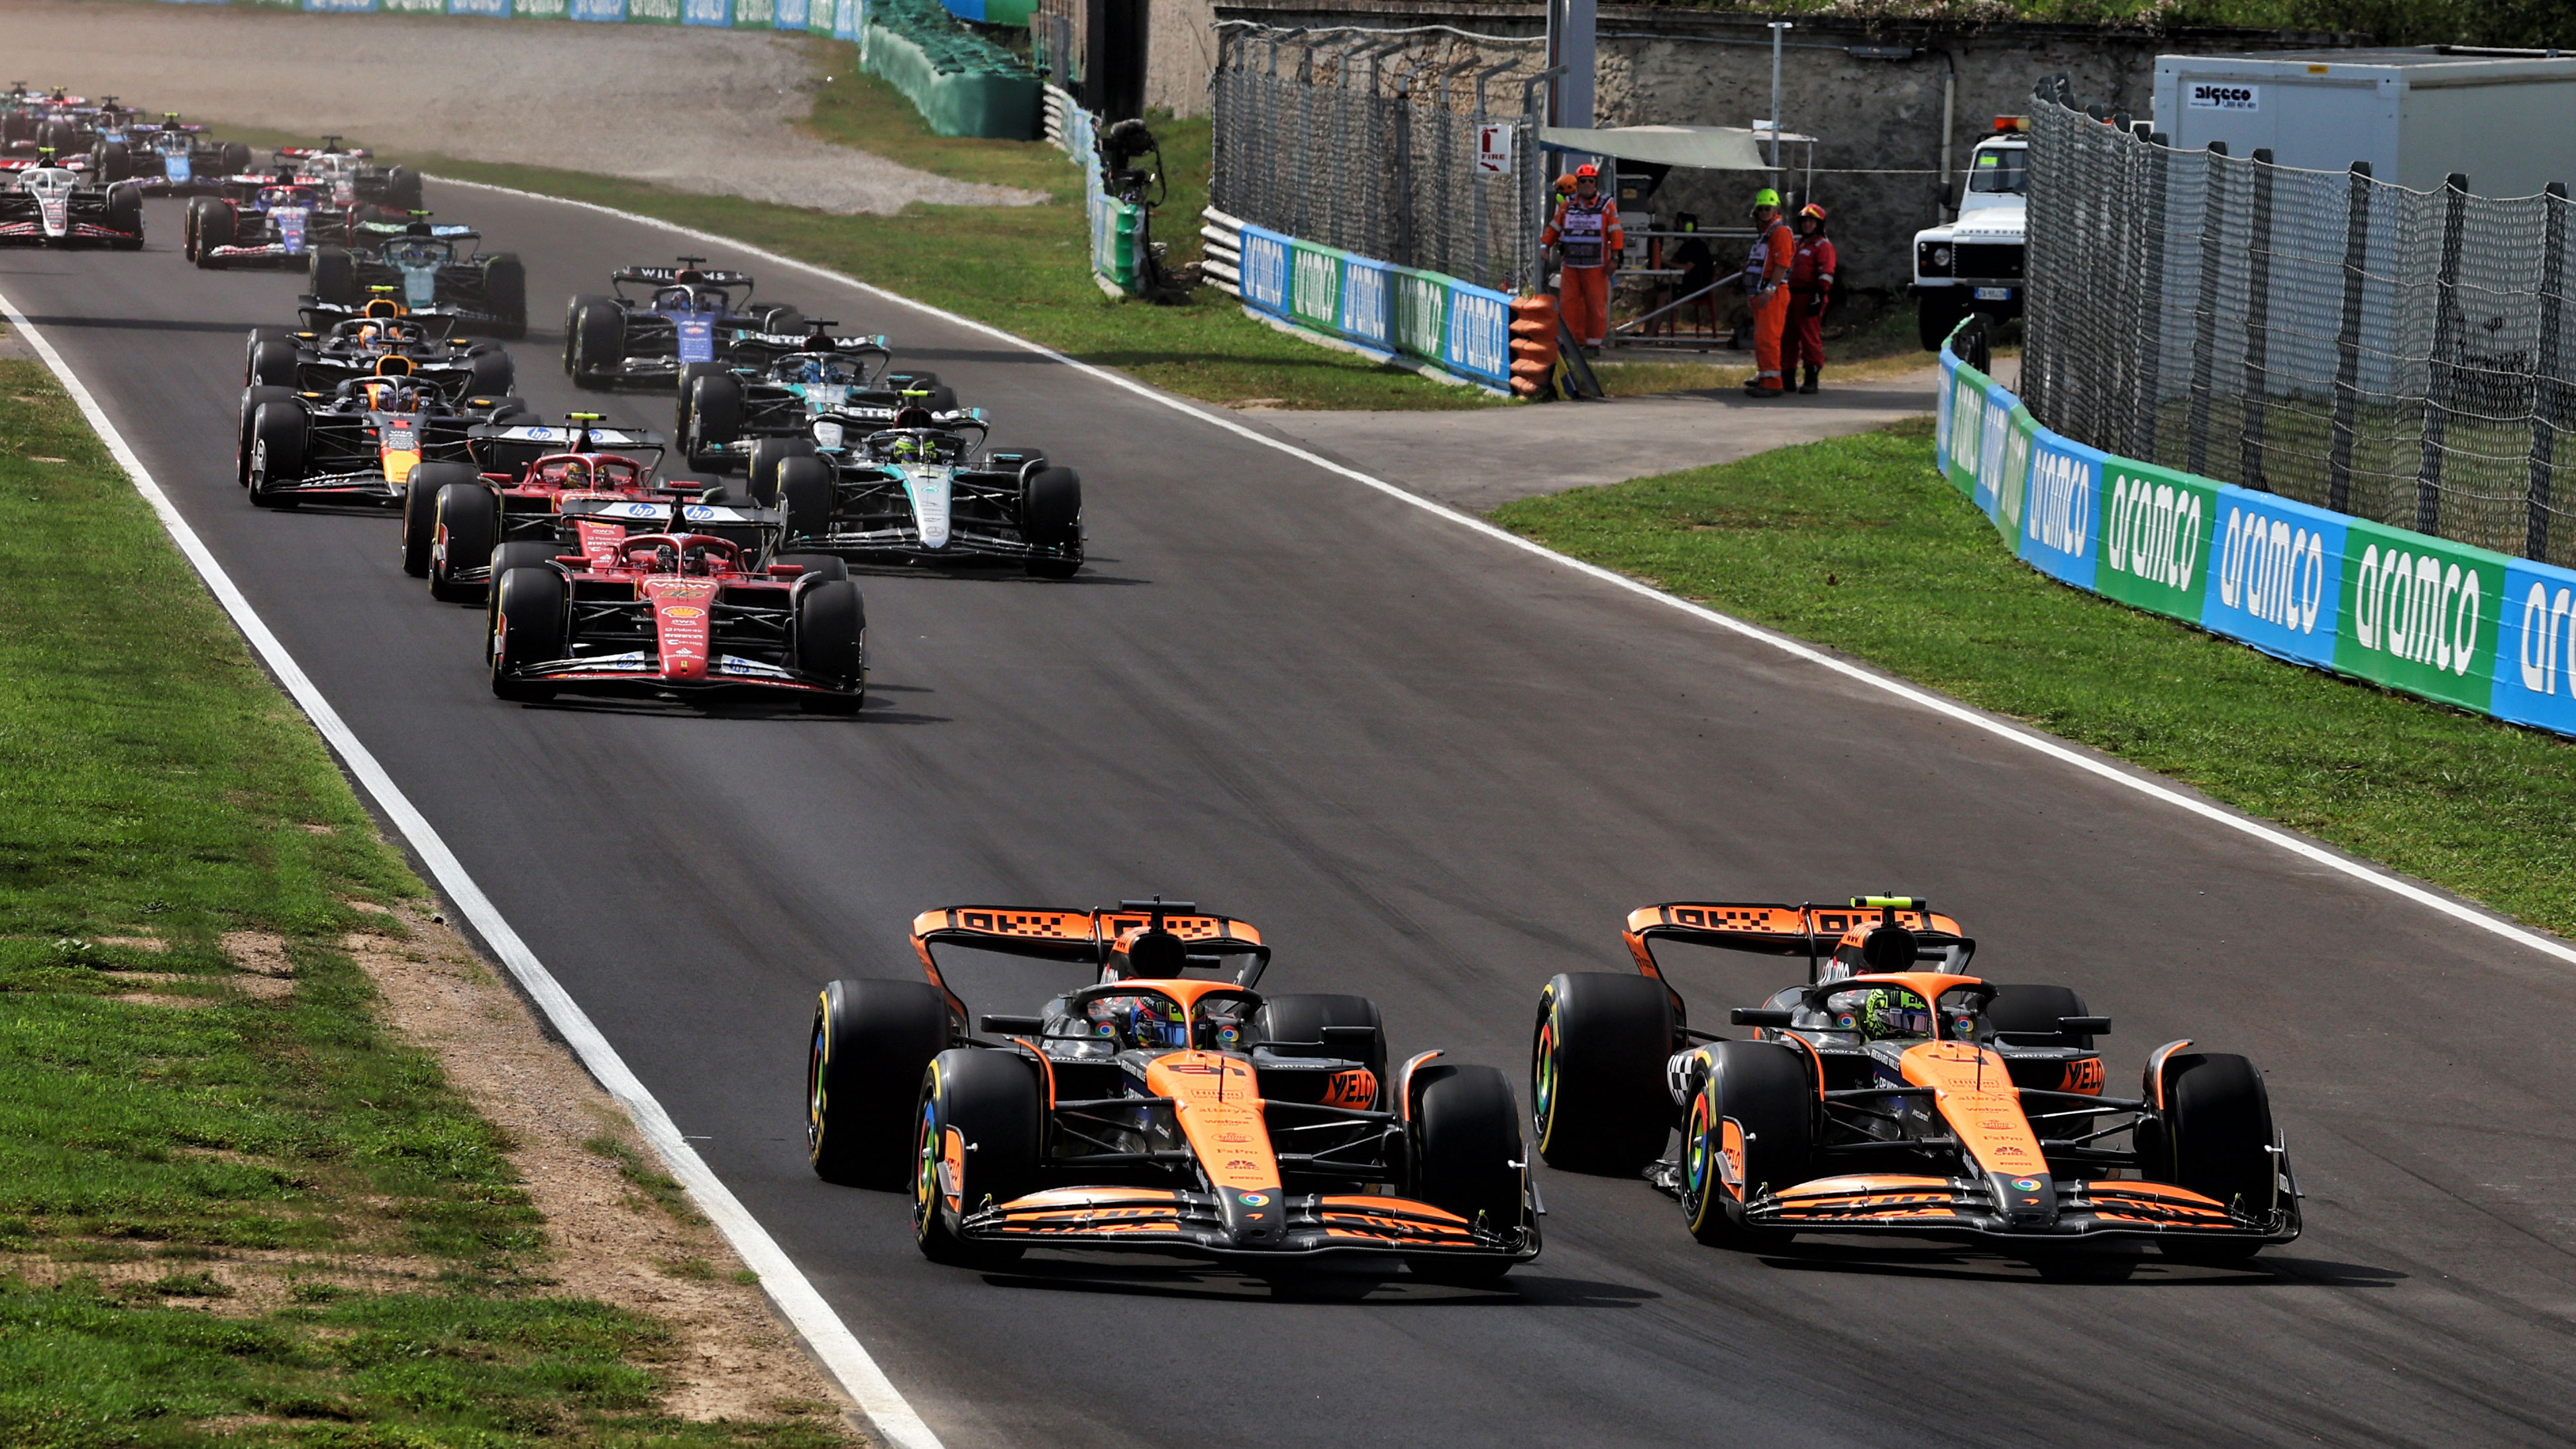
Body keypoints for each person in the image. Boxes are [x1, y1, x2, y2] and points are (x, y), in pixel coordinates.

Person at [1541, 163, 1623, 354]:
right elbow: (1555, 227)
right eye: (1583, 181)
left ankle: (1593, 344)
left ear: (1595, 182)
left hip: (1597, 266)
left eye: (1590, 181)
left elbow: (1616, 233)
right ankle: (1571, 343)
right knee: (1569, 304)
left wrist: (1615, 258)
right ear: (1577, 183)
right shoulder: (1568, 205)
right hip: (1571, 264)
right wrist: (1546, 245)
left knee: (1595, 306)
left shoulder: (1606, 206)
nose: (1587, 184)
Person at [1740, 188, 1794, 397]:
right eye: (1761, 209)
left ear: (1776, 208)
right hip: (1760, 292)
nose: (1764, 212)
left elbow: (1782, 265)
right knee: (1761, 338)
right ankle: (1764, 375)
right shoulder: (1765, 235)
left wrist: (1769, 291)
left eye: (1768, 208)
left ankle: (1772, 383)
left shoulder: (1780, 232)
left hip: (1772, 293)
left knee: (1768, 339)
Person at [1785, 203, 1837, 395]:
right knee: (1787, 338)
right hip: (1790, 296)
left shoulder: (1824, 247)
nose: (1807, 225)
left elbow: (1827, 273)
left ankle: (1811, 378)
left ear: (1819, 224)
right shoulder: (1797, 245)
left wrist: (1820, 294)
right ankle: (1787, 377)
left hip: (1810, 297)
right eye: (1805, 221)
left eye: (1811, 221)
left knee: (1809, 338)